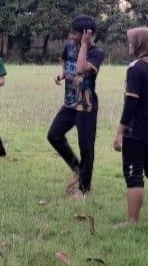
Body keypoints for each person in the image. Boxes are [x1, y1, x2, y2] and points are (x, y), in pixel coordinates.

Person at [47, 16, 107, 200]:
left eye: (75, 33)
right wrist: (62, 74)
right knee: (54, 135)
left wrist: (84, 45)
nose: (71, 35)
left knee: (86, 148)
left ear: (87, 34)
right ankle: (76, 168)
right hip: (70, 103)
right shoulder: (70, 45)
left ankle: (83, 189)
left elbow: (81, 68)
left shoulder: (97, 53)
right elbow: (65, 61)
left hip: (86, 107)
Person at [113, 27, 148, 224]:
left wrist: (120, 131)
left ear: (141, 44)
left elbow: (131, 103)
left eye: (131, 41)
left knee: (133, 174)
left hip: (137, 130)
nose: (129, 44)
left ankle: (132, 221)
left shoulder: (135, 68)